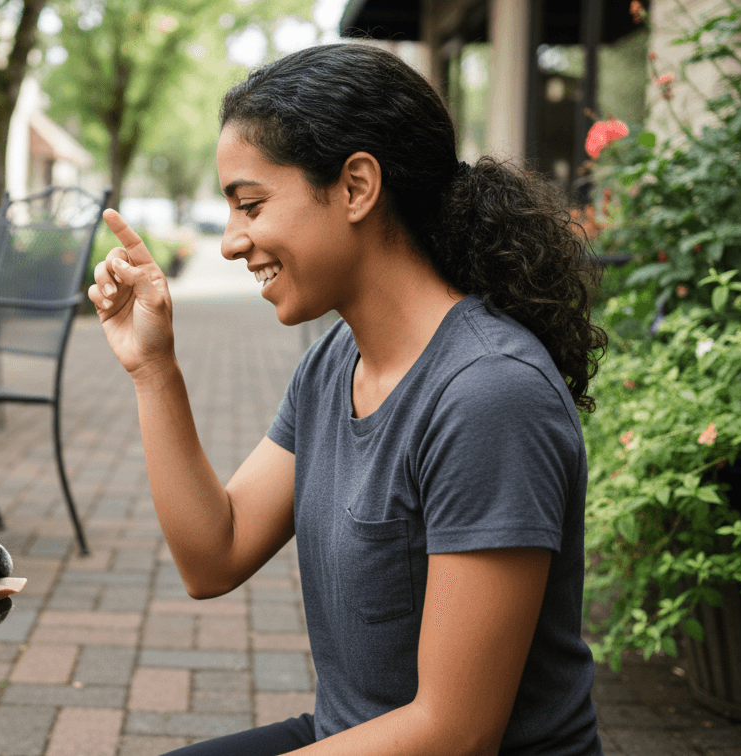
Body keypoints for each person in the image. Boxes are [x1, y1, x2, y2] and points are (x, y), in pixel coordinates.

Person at [88, 42, 608, 756]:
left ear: (357, 186)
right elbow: (215, 555)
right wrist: (154, 368)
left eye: (251, 204)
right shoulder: (336, 363)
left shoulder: (490, 395)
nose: (232, 243)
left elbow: (457, 731)